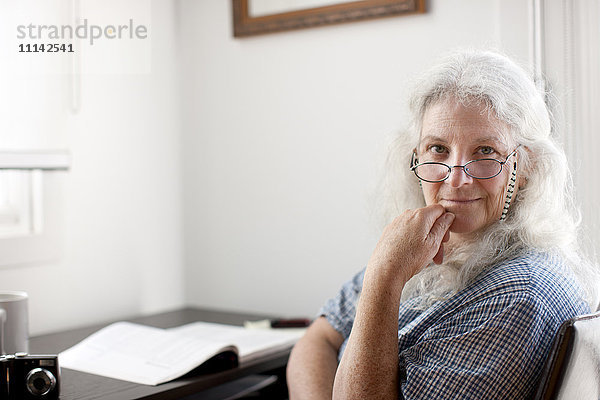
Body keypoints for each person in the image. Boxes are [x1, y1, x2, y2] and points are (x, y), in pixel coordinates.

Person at [286, 50, 599, 400]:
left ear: (525, 168)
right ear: (415, 158)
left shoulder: (517, 295)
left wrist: (385, 277)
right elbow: (320, 337)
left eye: (484, 151)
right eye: (438, 149)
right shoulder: (433, 245)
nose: (456, 178)